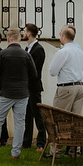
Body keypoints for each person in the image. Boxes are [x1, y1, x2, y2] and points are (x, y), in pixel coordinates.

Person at [0, 27, 36, 160]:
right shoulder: (26, 55)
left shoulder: (3, 54)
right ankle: (15, 153)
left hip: (5, 92)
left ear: (7, 39)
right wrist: (25, 86)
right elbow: (34, 75)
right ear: (19, 39)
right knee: (19, 123)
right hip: (22, 93)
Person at [48, 25, 83, 114]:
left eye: (60, 35)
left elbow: (52, 71)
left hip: (67, 87)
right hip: (80, 87)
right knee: (76, 118)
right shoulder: (80, 52)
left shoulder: (63, 52)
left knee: (60, 116)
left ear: (64, 37)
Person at [22, 22, 47, 151]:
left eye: (24, 31)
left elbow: (36, 71)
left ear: (29, 33)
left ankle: (41, 143)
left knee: (38, 115)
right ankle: (26, 141)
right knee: (27, 115)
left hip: (34, 87)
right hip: (26, 87)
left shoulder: (38, 49)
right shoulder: (27, 49)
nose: (23, 33)